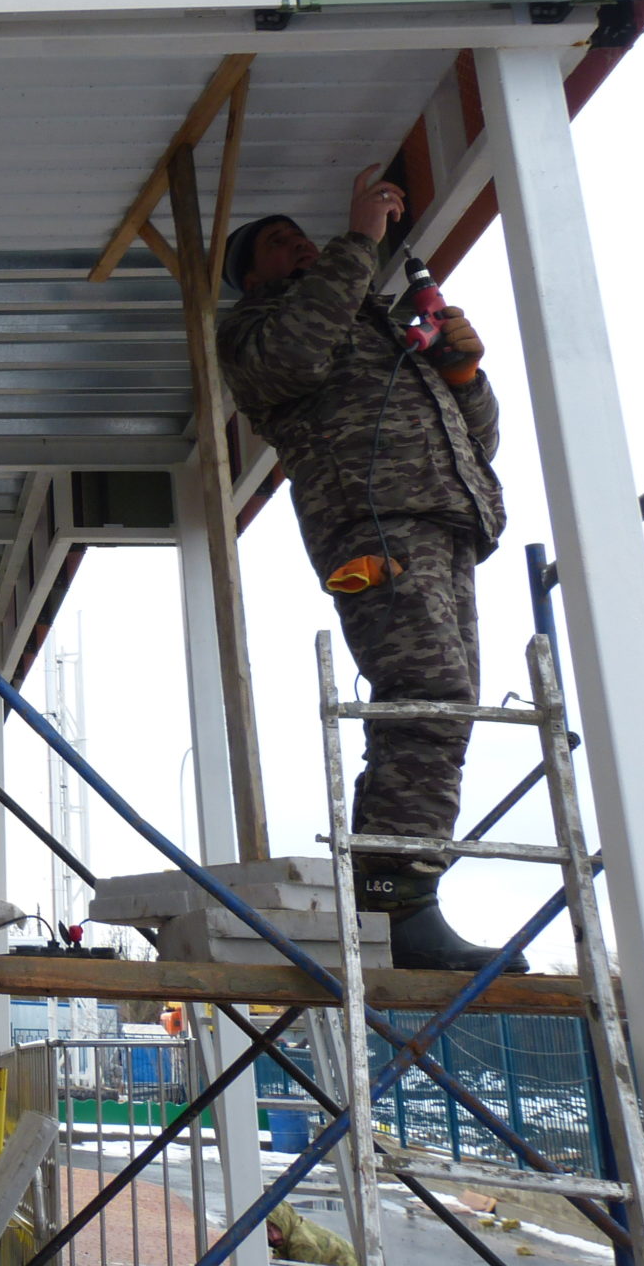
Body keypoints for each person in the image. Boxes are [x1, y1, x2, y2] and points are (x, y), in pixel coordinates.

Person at [217, 165, 522, 974]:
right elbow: (290, 359)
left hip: (444, 521)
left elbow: (476, 438)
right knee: (428, 691)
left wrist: (464, 375)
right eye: (279, 244)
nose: (301, 246)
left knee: (444, 704)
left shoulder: (374, 324)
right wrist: (357, 240)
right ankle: (395, 899)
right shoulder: (256, 329)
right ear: (252, 277)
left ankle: (398, 893)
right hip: (374, 523)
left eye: (304, 237)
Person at [266, 1200, 358, 1265]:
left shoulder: (302, 1244)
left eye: (277, 1228)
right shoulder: (296, 1226)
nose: (274, 1236)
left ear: (286, 1221)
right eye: (268, 1231)